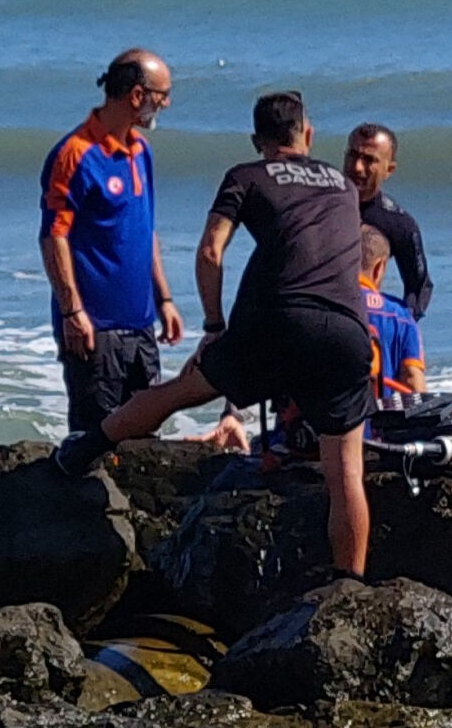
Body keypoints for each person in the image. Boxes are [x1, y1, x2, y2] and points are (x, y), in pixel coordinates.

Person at [54, 92, 377, 575]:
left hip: (278, 321)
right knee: (346, 471)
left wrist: (214, 324)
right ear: (307, 134)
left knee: (180, 391)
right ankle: (349, 583)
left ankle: (84, 448)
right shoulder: (344, 187)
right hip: (348, 329)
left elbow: (210, 251)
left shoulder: (247, 176)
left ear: (256, 140)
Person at [39, 49, 183, 440]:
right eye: (162, 95)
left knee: (145, 439)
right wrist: (72, 311)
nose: (166, 104)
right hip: (94, 328)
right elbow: (54, 236)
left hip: (141, 324)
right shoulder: (74, 154)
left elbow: (146, 229)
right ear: (137, 95)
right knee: (97, 441)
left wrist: (165, 299)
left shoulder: (141, 151)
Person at [344, 123, 433, 318]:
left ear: (389, 170)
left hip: (361, 320)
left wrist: (398, 323)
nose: (357, 167)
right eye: (352, 155)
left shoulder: (398, 223)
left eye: (369, 160)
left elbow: (419, 287)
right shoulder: (319, 204)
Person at [359, 225, 427, 396]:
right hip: (378, 412)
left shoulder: (320, 304)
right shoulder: (400, 316)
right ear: (378, 268)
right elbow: (412, 379)